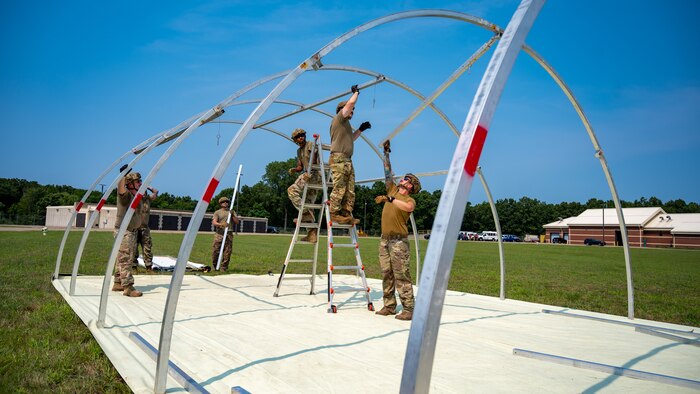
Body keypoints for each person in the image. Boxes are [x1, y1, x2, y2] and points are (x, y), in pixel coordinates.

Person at [373, 140, 421, 321]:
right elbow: (387, 172)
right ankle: (389, 306)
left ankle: (408, 309)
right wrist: (386, 154)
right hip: (385, 239)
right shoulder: (392, 189)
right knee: (386, 273)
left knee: (401, 275)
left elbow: (407, 208)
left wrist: (389, 199)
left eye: (407, 179)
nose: (403, 179)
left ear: (410, 186)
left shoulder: (408, 200)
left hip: (399, 241)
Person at [328, 84, 372, 224]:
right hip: (339, 159)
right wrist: (356, 93)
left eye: (353, 111)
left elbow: (351, 139)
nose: (352, 111)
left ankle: (346, 213)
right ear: (341, 110)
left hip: (347, 159)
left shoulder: (346, 126)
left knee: (350, 189)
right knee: (339, 187)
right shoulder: (339, 119)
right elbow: (350, 103)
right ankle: (334, 213)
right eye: (350, 110)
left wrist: (360, 130)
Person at [112, 171, 144, 297]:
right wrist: (123, 175)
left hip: (131, 231)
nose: (140, 183)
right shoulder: (126, 195)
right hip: (125, 232)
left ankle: (118, 282)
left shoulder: (135, 196)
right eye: (138, 181)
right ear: (130, 184)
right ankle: (128, 287)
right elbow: (120, 188)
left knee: (122, 258)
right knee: (126, 259)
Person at [287, 128, 320, 243]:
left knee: (291, 190)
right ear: (295, 140)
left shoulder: (311, 144)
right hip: (308, 173)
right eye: (298, 136)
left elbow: (314, 160)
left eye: (302, 135)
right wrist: (295, 170)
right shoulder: (299, 151)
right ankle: (311, 233)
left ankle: (304, 211)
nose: (301, 137)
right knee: (309, 203)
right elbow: (300, 166)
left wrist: (307, 173)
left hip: (314, 174)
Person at [132, 185, 158, 271]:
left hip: (145, 228)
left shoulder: (148, 199)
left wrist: (147, 186)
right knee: (133, 248)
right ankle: (134, 267)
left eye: (144, 191)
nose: (143, 193)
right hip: (135, 228)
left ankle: (148, 267)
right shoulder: (134, 199)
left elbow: (156, 192)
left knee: (147, 248)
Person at [211, 196, 240, 272]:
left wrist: (233, 215)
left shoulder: (232, 212)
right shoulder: (217, 212)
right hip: (219, 234)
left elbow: (237, 222)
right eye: (223, 202)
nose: (225, 203)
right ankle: (214, 266)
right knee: (215, 250)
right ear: (220, 204)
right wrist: (220, 224)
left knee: (227, 252)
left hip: (229, 234)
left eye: (227, 202)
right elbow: (214, 222)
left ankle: (224, 267)